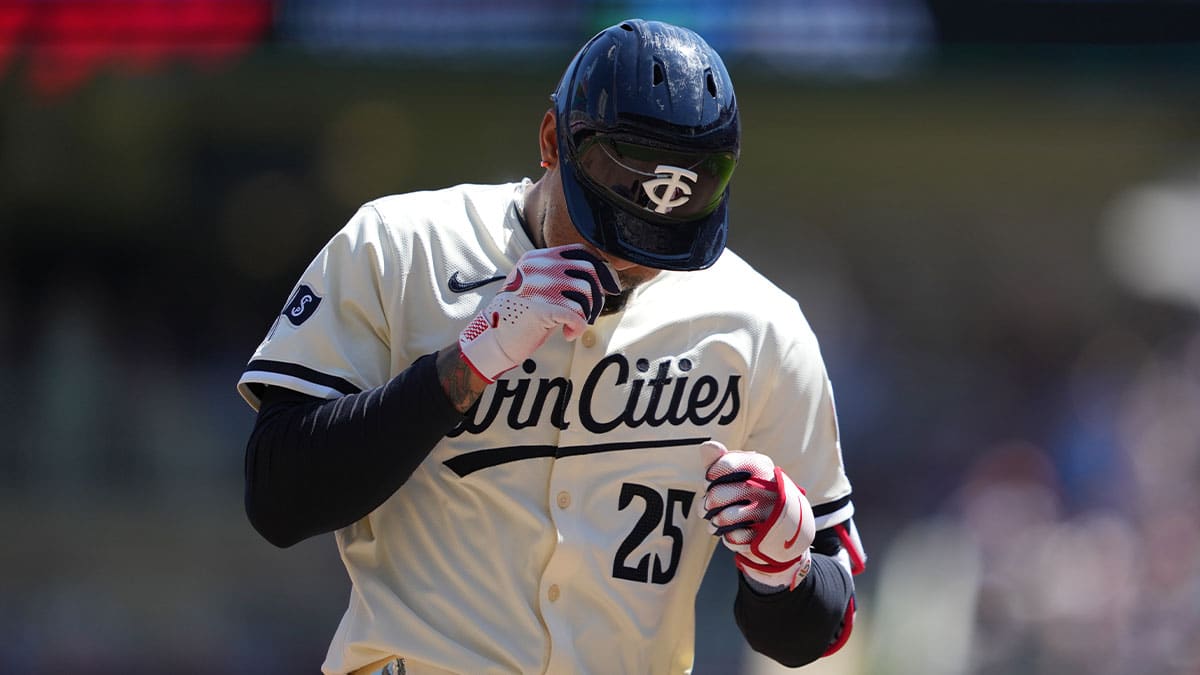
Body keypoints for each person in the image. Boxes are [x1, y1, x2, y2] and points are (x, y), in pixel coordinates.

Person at [237, 18, 866, 675]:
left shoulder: (760, 324)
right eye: (609, 226)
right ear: (549, 142)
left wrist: (783, 572)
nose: (626, 259)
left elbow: (823, 623)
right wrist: (463, 366)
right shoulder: (401, 245)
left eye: (658, 244)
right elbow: (277, 498)